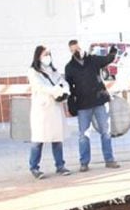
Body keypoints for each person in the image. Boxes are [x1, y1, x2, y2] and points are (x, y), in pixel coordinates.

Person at [64, 39, 120, 172]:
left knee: (105, 133)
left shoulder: (93, 60)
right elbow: (69, 88)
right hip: (83, 105)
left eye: (77, 49)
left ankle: (109, 160)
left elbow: (107, 59)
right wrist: (71, 106)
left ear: (82, 47)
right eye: (73, 50)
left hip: (99, 101)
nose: (76, 52)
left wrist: (113, 51)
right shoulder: (69, 67)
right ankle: (84, 163)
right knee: (84, 135)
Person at [26, 45, 71, 180]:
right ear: (38, 56)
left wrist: (64, 91)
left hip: (55, 109)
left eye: (49, 54)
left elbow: (63, 83)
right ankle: (34, 167)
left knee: (57, 138)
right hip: (42, 110)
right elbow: (40, 86)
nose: (48, 57)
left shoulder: (54, 71)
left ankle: (60, 165)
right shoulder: (33, 72)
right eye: (45, 54)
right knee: (38, 140)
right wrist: (56, 90)